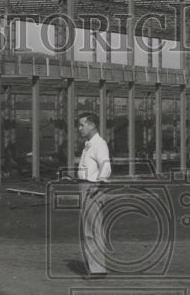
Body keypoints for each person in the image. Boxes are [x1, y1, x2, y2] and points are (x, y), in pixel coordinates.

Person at [75, 112, 111, 277]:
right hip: (86, 186)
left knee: (94, 229)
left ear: (92, 125)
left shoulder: (99, 143)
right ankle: (95, 267)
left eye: (82, 125)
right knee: (88, 230)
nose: (79, 128)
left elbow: (106, 165)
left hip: (92, 188)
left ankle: (98, 269)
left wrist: (97, 184)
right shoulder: (89, 144)